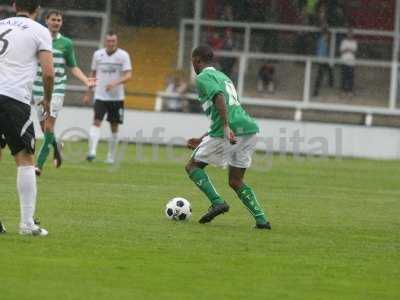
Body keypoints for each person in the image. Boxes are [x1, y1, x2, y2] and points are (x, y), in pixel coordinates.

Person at [185, 45, 271, 230]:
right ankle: (262, 220)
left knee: (193, 166)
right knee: (235, 181)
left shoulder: (203, 77)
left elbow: (219, 98)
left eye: (192, 60)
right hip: (249, 129)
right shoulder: (223, 77)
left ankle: (217, 202)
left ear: (197, 60)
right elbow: (229, 106)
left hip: (229, 130)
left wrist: (225, 127)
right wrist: (203, 138)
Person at [0, 0, 54, 236]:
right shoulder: (40, 31)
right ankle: (26, 224)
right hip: (13, 98)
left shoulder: (1, 25)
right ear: (38, 9)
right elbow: (49, 73)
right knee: (25, 159)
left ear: (14, 5)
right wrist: (48, 100)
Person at [33, 10, 95, 176]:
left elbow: (73, 66)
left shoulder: (66, 43)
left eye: (59, 20)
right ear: (46, 20)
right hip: (38, 88)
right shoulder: (37, 38)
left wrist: (86, 80)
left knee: (48, 126)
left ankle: (38, 166)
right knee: (44, 129)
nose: (56, 23)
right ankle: (56, 145)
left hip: (57, 88)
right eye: (53, 19)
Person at [85, 31, 132, 163]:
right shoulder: (97, 55)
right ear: (105, 41)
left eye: (113, 41)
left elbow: (129, 75)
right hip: (100, 96)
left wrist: (115, 83)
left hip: (117, 98)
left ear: (116, 42)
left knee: (114, 126)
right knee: (96, 121)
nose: (111, 43)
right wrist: (88, 92)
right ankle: (92, 152)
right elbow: (93, 74)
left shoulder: (123, 55)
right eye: (109, 41)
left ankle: (110, 156)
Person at [313, 29, 334, 97]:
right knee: (320, 75)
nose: (328, 37)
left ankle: (331, 83)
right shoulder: (321, 41)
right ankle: (315, 91)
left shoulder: (324, 41)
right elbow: (319, 52)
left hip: (324, 59)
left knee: (329, 70)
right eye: (327, 35)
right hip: (322, 60)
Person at [340, 28, 357, 96]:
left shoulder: (354, 42)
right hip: (344, 61)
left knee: (350, 77)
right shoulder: (344, 42)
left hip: (351, 62)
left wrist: (347, 49)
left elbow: (354, 51)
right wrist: (348, 49)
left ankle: (350, 91)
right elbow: (342, 50)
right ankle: (344, 91)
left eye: (351, 34)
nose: (350, 35)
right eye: (349, 34)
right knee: (344, 76)